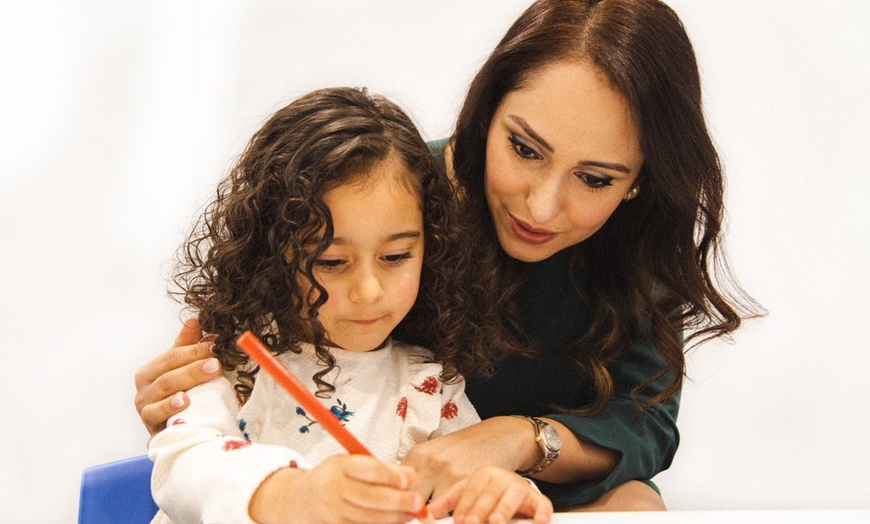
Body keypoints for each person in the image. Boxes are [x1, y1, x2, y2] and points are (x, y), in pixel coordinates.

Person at [136, 0, 764, 513]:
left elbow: (644, 425)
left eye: (595, 179)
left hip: (484, 497)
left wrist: (515, 453)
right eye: (524, 148)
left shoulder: (431, 387)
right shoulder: (393, 197)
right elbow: (195, 453)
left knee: (635, 504)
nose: (541, 207)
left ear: (639, 182)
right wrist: (189, 398)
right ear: (485, 113)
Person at [147, 87, 553, 524]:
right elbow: (183, 466)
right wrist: (291, 494)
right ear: (269, 254)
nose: (368, 291)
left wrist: (504, 492)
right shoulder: (230, 362)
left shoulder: (428, 385)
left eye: (396, 257)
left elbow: (470, 480)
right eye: (332, 261)